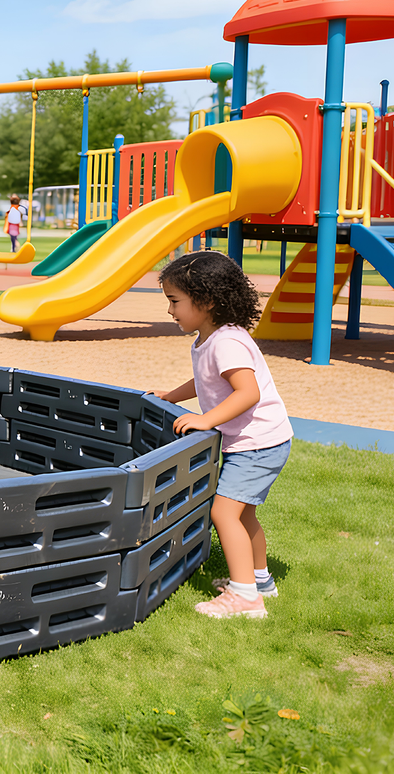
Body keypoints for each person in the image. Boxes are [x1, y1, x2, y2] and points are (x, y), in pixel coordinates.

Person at [150, 252, 292, 619]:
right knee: (244, 516)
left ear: (207, 301)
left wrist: (205, 420)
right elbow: (205, 381)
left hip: (258, 444)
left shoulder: (227, 342)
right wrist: (171, 396)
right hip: (260, 441)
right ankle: (260, 582)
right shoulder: (210, 338)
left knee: (223, 514)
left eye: (174, 301)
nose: (170, 311)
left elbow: (248, 393)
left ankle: (245, 598)